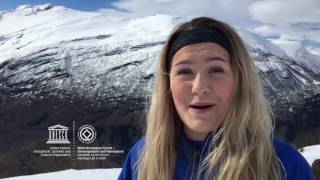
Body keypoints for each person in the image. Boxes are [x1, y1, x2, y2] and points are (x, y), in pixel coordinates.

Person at [118, 17, 314, 180]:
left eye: (216, 70)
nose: (200, 87)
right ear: (167, 84)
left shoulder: (284, 166)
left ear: (239, 80)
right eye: (185, 71)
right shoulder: (142, 158)